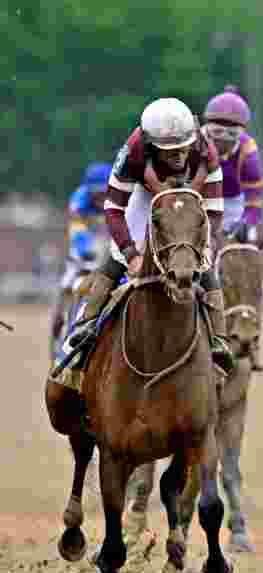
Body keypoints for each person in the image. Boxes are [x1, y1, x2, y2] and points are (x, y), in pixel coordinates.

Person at [66, 97, 235, 374]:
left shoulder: (206, 152)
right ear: (151, 147)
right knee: (117, 256)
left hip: (189, 199)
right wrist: (131, 254)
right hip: (145, 196)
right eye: (170, 152)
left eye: (183, 148)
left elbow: (215, 212)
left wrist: (206, 247)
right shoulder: (133, 153)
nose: (179, 155)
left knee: (203, 262)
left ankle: (219, 338)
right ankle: (86, 326)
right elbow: (114, 209)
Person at [202, 85, 263, 369]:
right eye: (216, 135)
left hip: (233, 204)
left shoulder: (249, 154)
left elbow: (254, 203)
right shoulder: (195, 145)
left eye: (230, 137)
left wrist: (244, 225)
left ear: (240, 135)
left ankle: (247, 327)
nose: (222, 144)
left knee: (245, 252)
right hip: (201, 197)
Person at [51, 162, 111, 345]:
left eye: (103, 191)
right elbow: (77, 230)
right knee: (68, 278)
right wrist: (84, 251)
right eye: (95, 192)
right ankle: (58, 316)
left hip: (109, 245)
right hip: (86, 247)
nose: (99, 196)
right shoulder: (79, 200)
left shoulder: (120, 197)